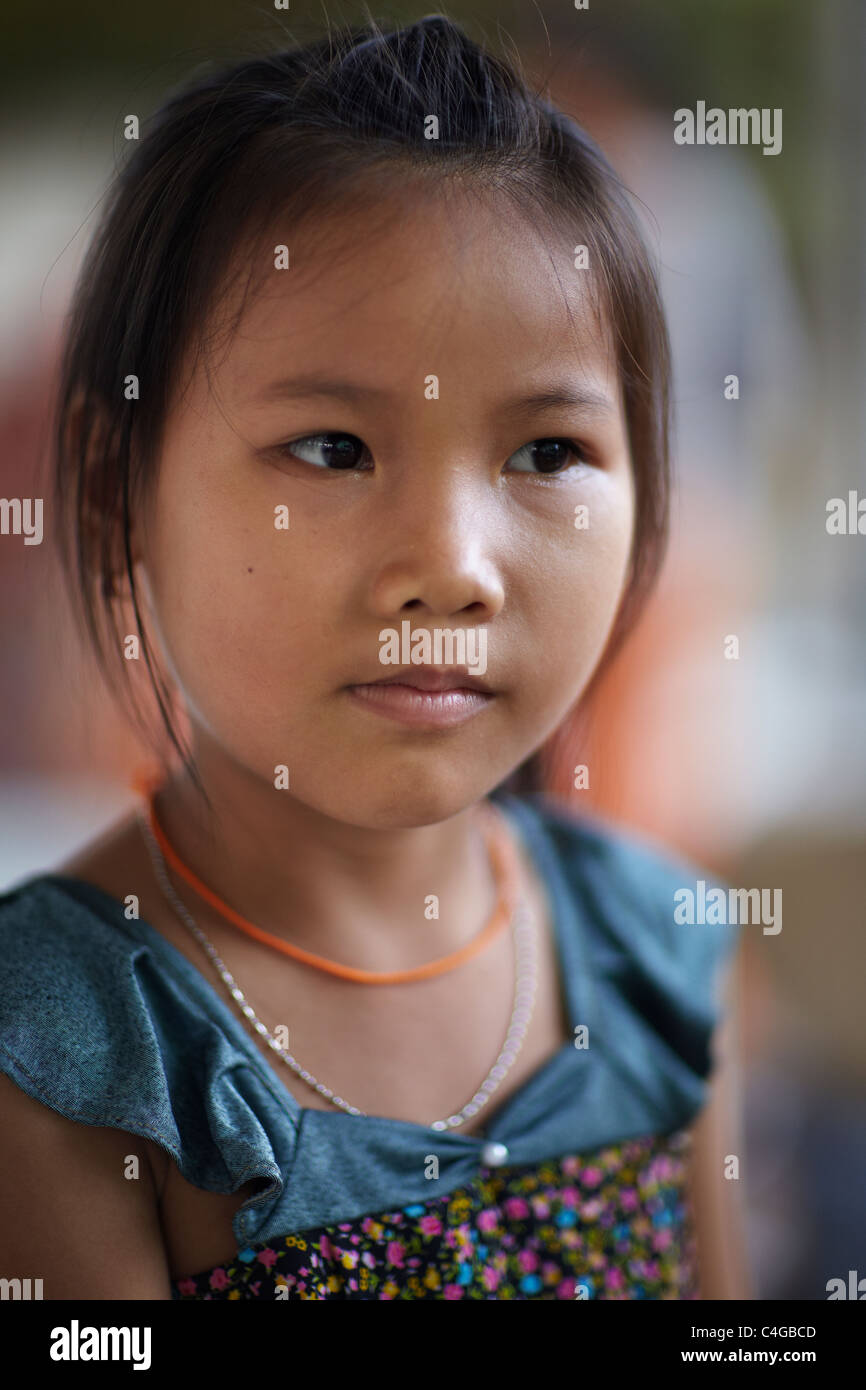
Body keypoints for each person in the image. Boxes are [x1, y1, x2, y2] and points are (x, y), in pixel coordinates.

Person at [0, 16, 748, 1300]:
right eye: (333, 449)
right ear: (120, 496)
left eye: (545, 453)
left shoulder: (655, 954)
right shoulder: (68, 1052)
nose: (453, 563)